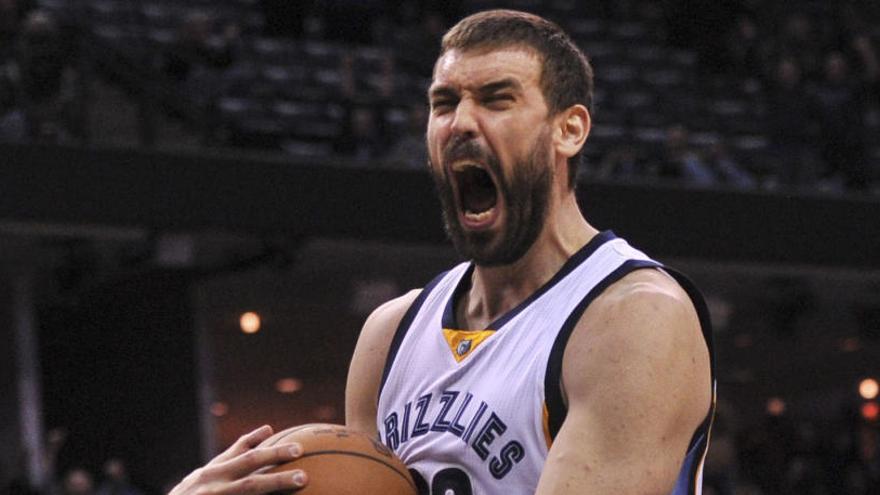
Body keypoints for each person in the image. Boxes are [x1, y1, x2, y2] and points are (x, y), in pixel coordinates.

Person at [168, 9, 715, 495]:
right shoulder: (391, 334)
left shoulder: (635, 317)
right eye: (444, 102)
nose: (462, 122)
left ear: (569, 130)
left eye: (498, 99)